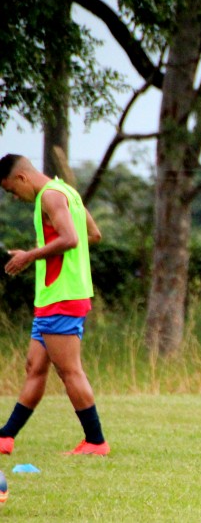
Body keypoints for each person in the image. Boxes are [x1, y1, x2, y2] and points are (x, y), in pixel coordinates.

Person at [0, 154, 110, 456]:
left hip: (63, 296)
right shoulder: (67, 192)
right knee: (35, 366)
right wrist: (40, 252)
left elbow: (72, 238)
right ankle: (6, 436)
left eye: (11, 190)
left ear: (22, 178)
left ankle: (96, 441)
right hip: (53, 296)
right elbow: (94, 235)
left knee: (69, 371)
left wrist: (30, 256)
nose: (14, 197)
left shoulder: (49, 196)